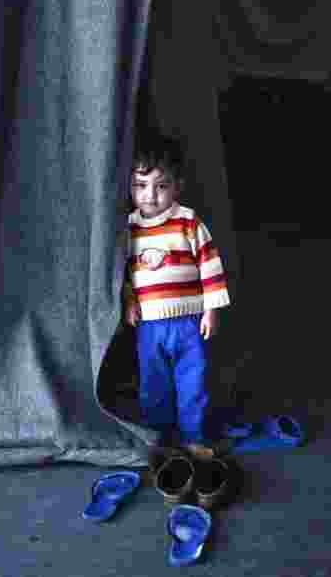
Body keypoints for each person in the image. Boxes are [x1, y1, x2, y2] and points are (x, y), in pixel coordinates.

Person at [123, 133, 231, 458]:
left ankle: (194, 437)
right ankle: (160, 439)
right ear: (130, 187)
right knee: (153, 385)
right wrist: (130, 301)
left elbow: (210, 265)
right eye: (140, 186)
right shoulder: (128, 228)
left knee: (192, 384)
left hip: (189, 322)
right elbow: (125, 274)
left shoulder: (187, 222)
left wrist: (212, 309)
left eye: (161, 185)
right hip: (150, 325)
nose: (150, 196)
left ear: (177, 186)